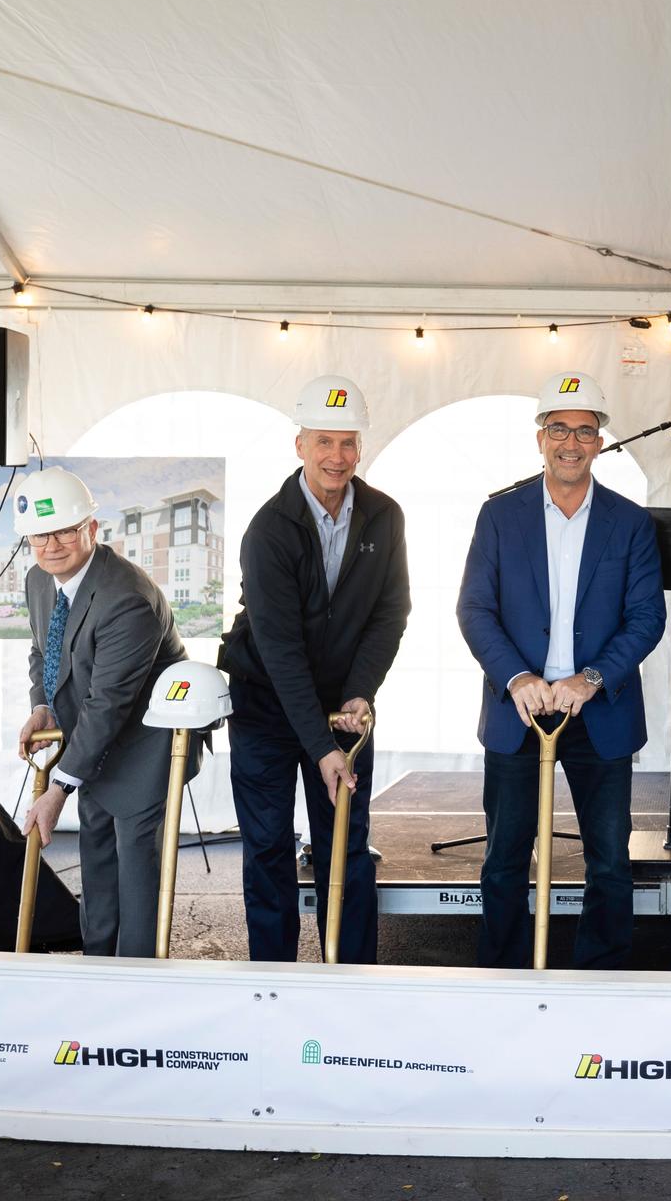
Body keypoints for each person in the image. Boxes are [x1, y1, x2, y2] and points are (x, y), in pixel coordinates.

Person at [457, 371, 666, 968]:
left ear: (600, 441)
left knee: (610, 861)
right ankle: (504, 977)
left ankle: (600, 980)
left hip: (599, 711)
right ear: (540, 438)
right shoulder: (499, 517)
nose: (570, 443)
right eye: (558, 429)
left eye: (584, 430)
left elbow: (647, 617)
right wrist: (517, 678)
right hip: (518, 712)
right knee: (504, 858)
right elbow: (474, 608)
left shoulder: (631, 523)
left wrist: (592, 678)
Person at [220, 374, 410, 964]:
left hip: (342, 711)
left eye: (348, 442)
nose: (337, 456)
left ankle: (351, 981)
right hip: (266, 705)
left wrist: (359, 693)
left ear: (361, 447)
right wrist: (321, 745)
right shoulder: (268, 530)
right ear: (299, 444)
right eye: (324, 441)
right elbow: (280, 649)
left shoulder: (384, 516)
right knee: (268, 847)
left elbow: (390, 612)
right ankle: (273, 982)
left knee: (346, 847)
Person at [13, 467, 188, 958]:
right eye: (40, 535)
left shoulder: (126, 599)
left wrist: (58, 789)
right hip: (90, 741)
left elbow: (108, 703)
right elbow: (42, 651)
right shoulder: (39, 581)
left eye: (65, 531)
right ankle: (97, 965)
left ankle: (136, 979)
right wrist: (44, 705)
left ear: (91, 528)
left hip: (144, 745)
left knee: (136, 869)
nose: (52, 545)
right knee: (97, 857)